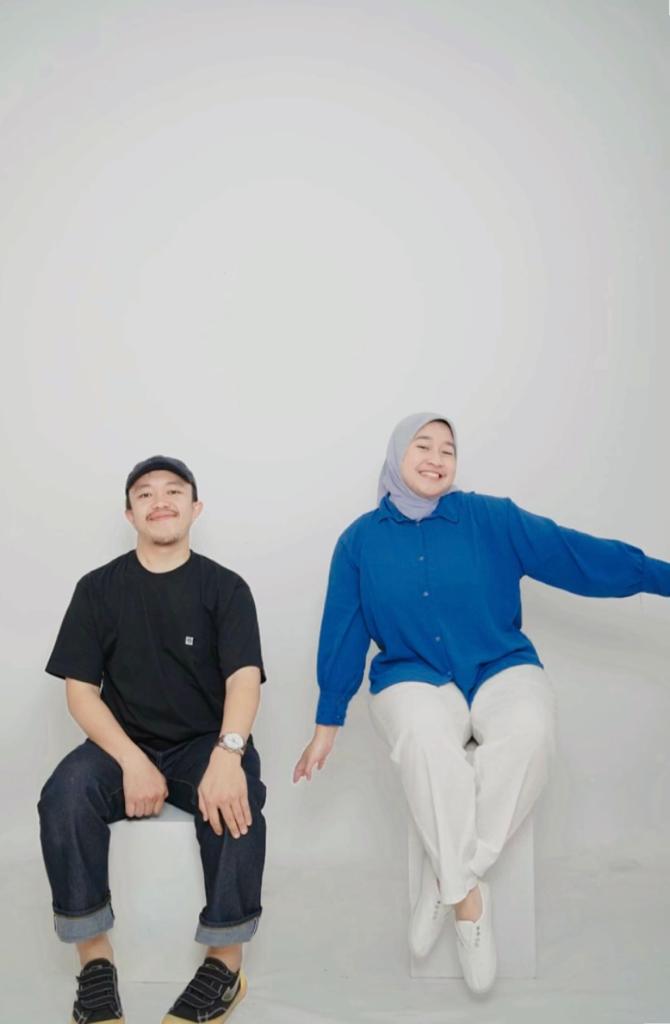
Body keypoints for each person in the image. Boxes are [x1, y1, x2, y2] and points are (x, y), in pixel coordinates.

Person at [293, 412, 670, 995]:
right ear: (397, 455)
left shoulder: (491, 518)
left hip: (500, 665)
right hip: (411, 674)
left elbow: (575, 554)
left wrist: (660, 576)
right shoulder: (360, 541)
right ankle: (469, 903)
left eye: (448, 449)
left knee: (531, 732)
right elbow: (342, 630)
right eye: (423, 446)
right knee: (424, 740)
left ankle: (449, 878)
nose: (436, 458)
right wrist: (327, 721)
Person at [38, 455, 266, 1024]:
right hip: (123, 741)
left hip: (205, 741)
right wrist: (132, 761)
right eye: (144, 494)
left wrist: (229, 753)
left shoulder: (225, 588)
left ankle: (225, 965)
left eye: (173, 491)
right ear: (129, 514)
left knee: (236, 802)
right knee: (64, 794)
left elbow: (243, 679)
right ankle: (95, 964)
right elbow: (81, 691)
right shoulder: (98, 589)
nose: (160, 501)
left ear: (195, 507)